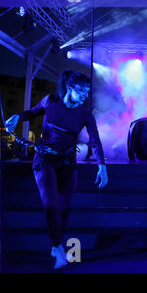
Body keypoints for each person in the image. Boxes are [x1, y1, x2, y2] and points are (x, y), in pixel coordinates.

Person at [5, 70, 108, 268]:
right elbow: (31, 113)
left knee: (65, 207)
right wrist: (17, 117)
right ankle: (58, 247)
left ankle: (56, 243)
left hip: (68, 163)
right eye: (82, 90)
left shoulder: (85, 114)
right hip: (44, 160)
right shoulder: (50, 101)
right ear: (70, 88)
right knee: (51, 204)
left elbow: (95, 141)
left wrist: (102, 167)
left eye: (88, 91)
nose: (86, 94)